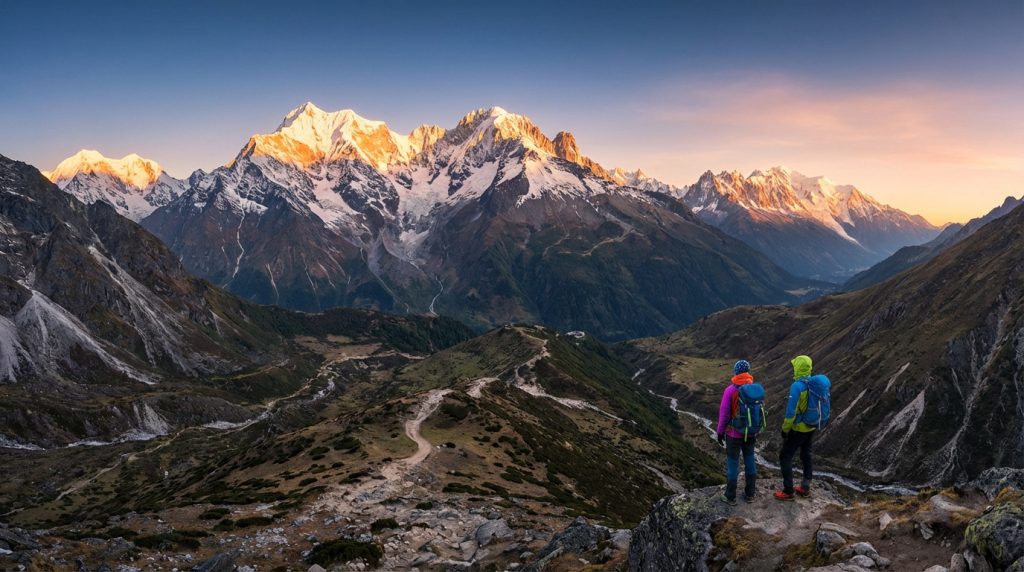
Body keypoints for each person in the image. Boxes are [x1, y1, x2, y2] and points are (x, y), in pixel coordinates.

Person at [774, 354, 827, 501]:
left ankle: (788, 490)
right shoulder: (814, 384)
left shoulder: (797, 386)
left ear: (798, 368)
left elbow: (791, 412)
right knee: (806, 455)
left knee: (785, 456)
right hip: (812, 426)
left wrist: (785, 429)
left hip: (798, 428)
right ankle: (805, 487)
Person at [716, 359, 760, 505]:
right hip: (751, 433)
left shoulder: (731, 390)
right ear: (748, 372)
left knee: (733, 464)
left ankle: (730, 496)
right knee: (749, 460)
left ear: (736, 371)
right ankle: (750, 494)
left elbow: (724, 414)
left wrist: (720, 432)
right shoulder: (753, 388)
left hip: (734, 434)